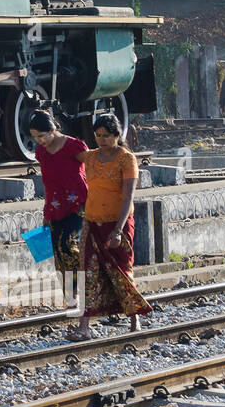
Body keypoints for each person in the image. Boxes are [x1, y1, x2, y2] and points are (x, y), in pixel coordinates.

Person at [71, 113, 151, 340]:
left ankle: (135, 319)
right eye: (97, 136)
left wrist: (118, 229)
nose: (101, 140)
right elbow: (68, 152)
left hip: (118, 224)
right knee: (87, 272)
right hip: (92, 222)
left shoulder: (126, 159)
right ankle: (83, 326)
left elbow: (128, 197)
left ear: (117, 135)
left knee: (122, 271)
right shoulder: (91, 157)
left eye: (106, 135)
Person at [27, 111, 87, 307]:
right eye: (35, 137)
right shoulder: (42, 153)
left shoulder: (74, 146)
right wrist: (46, 212)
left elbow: (93, 167)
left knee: (68, 244)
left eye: (41, 136)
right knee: (58, 254)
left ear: (52, 130)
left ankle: (86, 285)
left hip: (78, 205)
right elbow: (47, 183)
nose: (39, 141)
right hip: (55, 207)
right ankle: (71, 296)